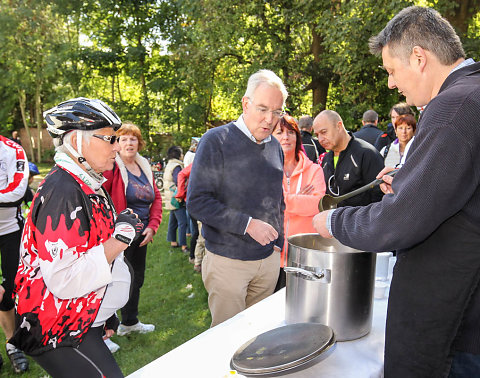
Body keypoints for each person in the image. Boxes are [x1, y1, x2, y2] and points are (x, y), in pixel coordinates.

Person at [313, 6, 480, 377]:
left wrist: (335, 220)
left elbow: (403, 220)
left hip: (456, 328)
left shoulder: (453, 106)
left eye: (392, 70)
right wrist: (407, 180)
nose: (391, 84)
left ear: (419, 57)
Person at [10, 97, 143, 377]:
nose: (117, 147)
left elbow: (88, 249)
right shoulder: (64, 191)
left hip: (82, 317)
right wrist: (119, 239)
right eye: (109, 138)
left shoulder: (87, 182)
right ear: (76, 140)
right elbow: (64, 279)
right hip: (58, 324)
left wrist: (105, 312)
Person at [187, 69, 286, 327]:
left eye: (277, 112)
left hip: (268, 260)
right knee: (227, 341)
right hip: (228, 262)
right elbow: (197, 202)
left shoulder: (275, 146)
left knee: (257, 337)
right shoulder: (215, 141)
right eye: (262, 109)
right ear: (245, 103)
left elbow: (278, 199)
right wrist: (248, 224)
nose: (269, 119)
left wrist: (280, 241)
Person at [103, 122, 162, 342]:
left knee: (135, 279)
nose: (129, 143)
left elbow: (155, 198)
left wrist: (152, 226)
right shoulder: (112, 168)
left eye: (133, 138)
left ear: (139, 142)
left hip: (142, 235)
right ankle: (102, 334)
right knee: (111, 282)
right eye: (124, 139)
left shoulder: (143, 165)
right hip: (118, 237)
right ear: (116, 143)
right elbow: (102, 201)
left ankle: (129, 322)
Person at [271, 115, 326, 291]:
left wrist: (283, 199)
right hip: (272, 255)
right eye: (279, 132)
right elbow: (263, 206)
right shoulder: (266, 170)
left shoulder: (314, 170)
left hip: (304, 256)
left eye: (290, 132)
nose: (285, 137)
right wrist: (299, 198)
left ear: (297, 137)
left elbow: (318, 204)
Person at [0, 135, 29, 373]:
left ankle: (12, 344)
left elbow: (17, 191)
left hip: (10, 230)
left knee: (9, 290)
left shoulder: (12, 149)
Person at [313, 109, 384, 207]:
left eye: (324, 132)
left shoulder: (366, 153)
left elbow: (380, 197)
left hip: (361, 220)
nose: (320, 139)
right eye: (317, 135)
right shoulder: (326, 159)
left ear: (339, 126)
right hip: (333, 220)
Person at [164, 146, 188, 253]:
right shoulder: (177, 166)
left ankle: (173, 241)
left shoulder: (169, 165)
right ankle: (184, 245)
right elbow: (179, 182)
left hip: (170, 197)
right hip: (176, 198)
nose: (182, 155)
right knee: (183, 222)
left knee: (173, 221)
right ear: (178, 155)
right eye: (181, 153)